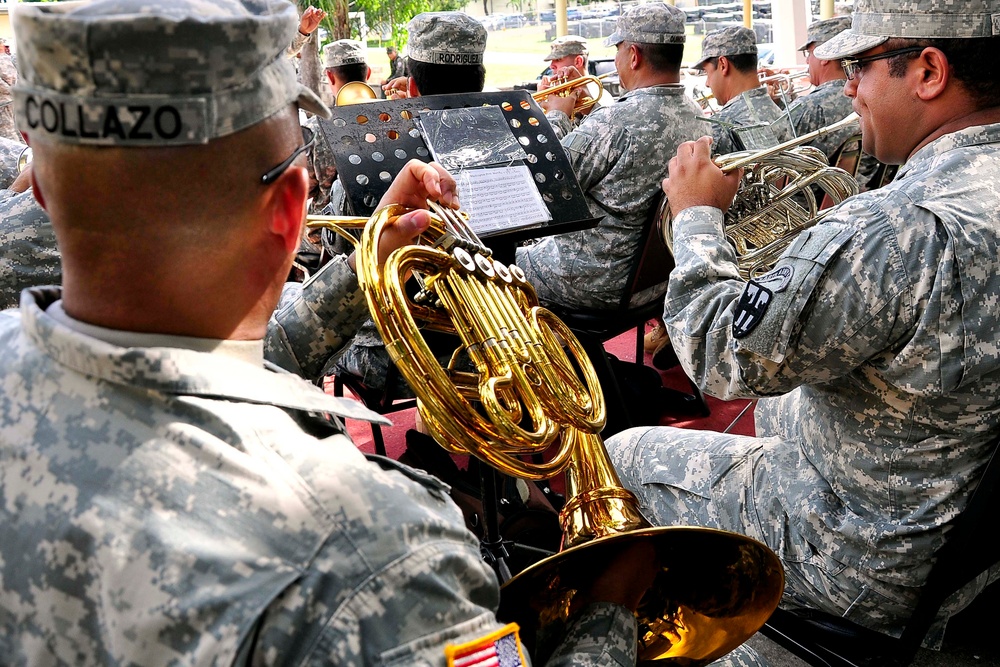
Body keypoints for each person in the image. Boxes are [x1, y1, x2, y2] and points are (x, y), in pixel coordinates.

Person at [0, 1, 654, 664]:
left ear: (45, 194)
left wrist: (369, 254)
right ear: (290, 208)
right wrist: (610, 610)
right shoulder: (376, 550)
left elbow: (207, 368)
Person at [606, 0, 1000, 663]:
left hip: (862, 557)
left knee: (616, 456)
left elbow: (716, 353)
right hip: (966, 544)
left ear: (929, 70)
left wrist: (698, 217)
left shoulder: (892, 227)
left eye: (860, 66)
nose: (848, 86)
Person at [330, 11, 488, 395]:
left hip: (404, 350)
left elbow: (337, 243)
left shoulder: (372, 151)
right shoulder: (505, 134)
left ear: (412, 86)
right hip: (490, 337)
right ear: (482, 81)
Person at [516, 3, 705, 312]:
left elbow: (539, 188)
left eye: (618, 50)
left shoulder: (613, 124)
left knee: (495, 261)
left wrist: (556, 116)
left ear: (634, 55)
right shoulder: (699, 115)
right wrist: (591, 109)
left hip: (591, 283)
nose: (616, 60)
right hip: (657, 280)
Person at [787, 15, 878, 186]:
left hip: (807, 206)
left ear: (825, 54)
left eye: (809, 52)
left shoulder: (809, 107)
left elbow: (765, 146)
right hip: (865, 193)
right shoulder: (872, 97)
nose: (807, 60)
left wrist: (776, 101)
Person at [695, 26, 794, 156]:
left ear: (723, 65)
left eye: (707, 73)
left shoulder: (720, 127)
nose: (707, 83)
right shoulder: (780, 111)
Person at [305, 39, 373, 216]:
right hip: (383, 228)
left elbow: (302, 189)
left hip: (327, 233)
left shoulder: (313, 128)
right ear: (369, 73)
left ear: (330, 76)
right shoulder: (392, 119)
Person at [0, 37, 21, 144]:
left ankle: (17, 156)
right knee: (14, 130)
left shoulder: (10, 59)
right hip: (9, 101)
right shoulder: (11, 59)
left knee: (9, 132)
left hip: (7, 102)